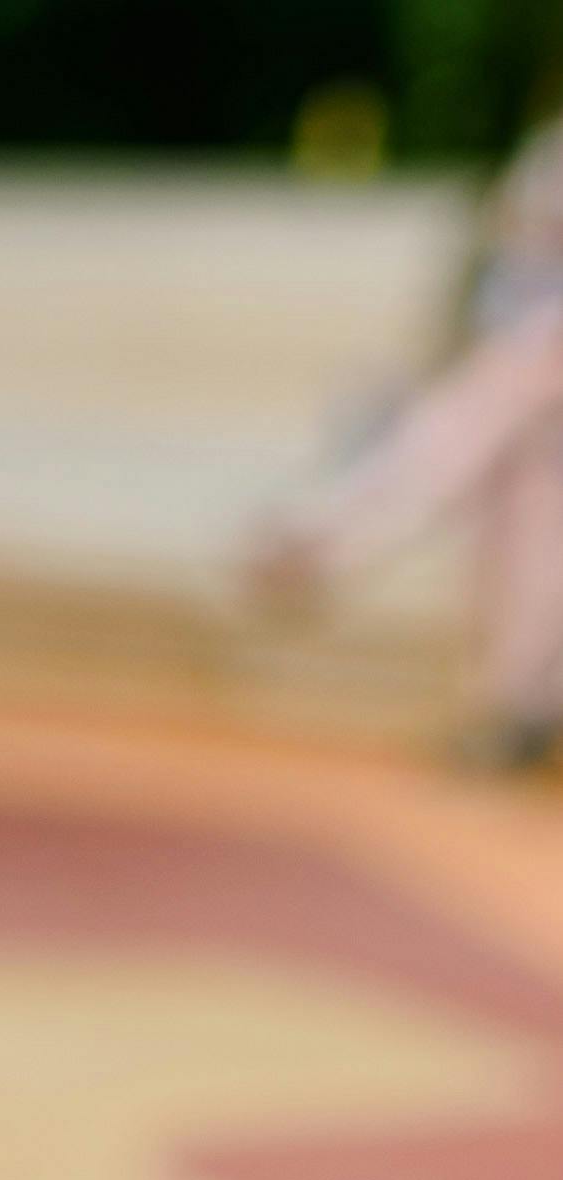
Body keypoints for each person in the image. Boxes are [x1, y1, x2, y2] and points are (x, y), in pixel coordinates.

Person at [251, 115, 563, 769]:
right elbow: (495, 271)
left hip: (527, 377)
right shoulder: (545, 150)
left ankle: (326, 539)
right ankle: (516, 711)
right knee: (519, 500)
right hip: (523, 397)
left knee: (500, 404)